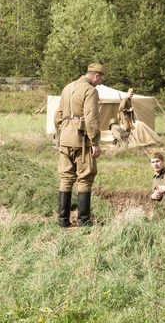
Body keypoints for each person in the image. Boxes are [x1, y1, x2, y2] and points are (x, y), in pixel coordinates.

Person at [53, 63, 106, 227]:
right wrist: (95, 142)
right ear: (96, 76)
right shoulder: (90, 90)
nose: (100, 83)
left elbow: (58, 115)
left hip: (65, 139)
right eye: (101, 79)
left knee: (66, 177)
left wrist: (63, 131)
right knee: (85, 177)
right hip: (81, 140)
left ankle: (63, 221)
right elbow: (91, 118)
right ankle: (84, 220)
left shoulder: (67, 87)